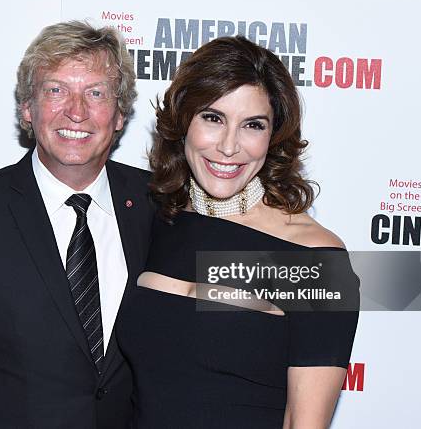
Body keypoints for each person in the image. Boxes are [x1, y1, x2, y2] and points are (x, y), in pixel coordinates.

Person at [0, 21, 154, 428]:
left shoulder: (158, 205)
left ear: (120, 113)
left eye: (96, 93)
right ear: (27, 108)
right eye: (55, 90)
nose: (76, 111)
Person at [116, 36, 359, 428]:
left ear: (273, 135)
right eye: (213, 118)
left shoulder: (314, 257)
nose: (229, 147)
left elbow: (305, 421)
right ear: (183, 121)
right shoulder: (158, 222)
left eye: (252, 125)